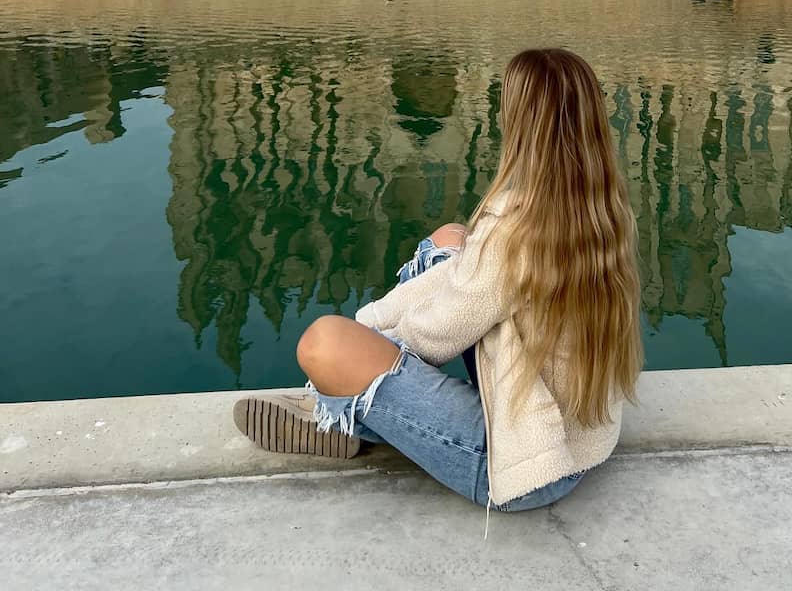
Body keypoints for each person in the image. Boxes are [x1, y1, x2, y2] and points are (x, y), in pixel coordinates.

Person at [233, 48, 642, 519]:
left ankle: (337, 416)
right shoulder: (605, 211)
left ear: (523, 124)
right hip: (579, 438)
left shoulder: (516, 231)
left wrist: (355, 355)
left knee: (325, 344)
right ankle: (351, 409)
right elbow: (466, 282)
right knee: (449, 240)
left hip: (524, 461)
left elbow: (434, 337)